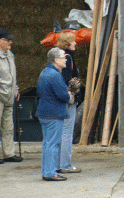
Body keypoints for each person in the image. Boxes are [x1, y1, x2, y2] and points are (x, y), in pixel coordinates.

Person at [36, 47, 73, 181]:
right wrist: (70, 95)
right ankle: (50, 173)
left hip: (44, 112)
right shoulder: (55, 75)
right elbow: (62, 95)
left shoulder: (45, 72)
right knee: (53, 144)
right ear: (56, 60)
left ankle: (47, 171)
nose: (66, 60)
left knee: (47, 143)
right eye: (64, 57)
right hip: (53, 113)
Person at [0, 29, 22, 164]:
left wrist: (16, 89)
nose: (10, 42)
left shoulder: (9, 55)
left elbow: (13, 75)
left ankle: (9, 153)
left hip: (8, 95)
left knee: (8, 126)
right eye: (7, 40)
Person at [55, 31, 82, 174]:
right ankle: (65, 164)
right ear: (67, 43)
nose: (75, 43)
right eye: (73, 41)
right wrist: (70, 95)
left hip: (60, 99)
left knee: (61, 131)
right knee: (67, 132)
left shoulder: (57, 56)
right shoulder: (68, 58)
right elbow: (66, 79)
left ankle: (58, 163)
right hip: (68, 100)